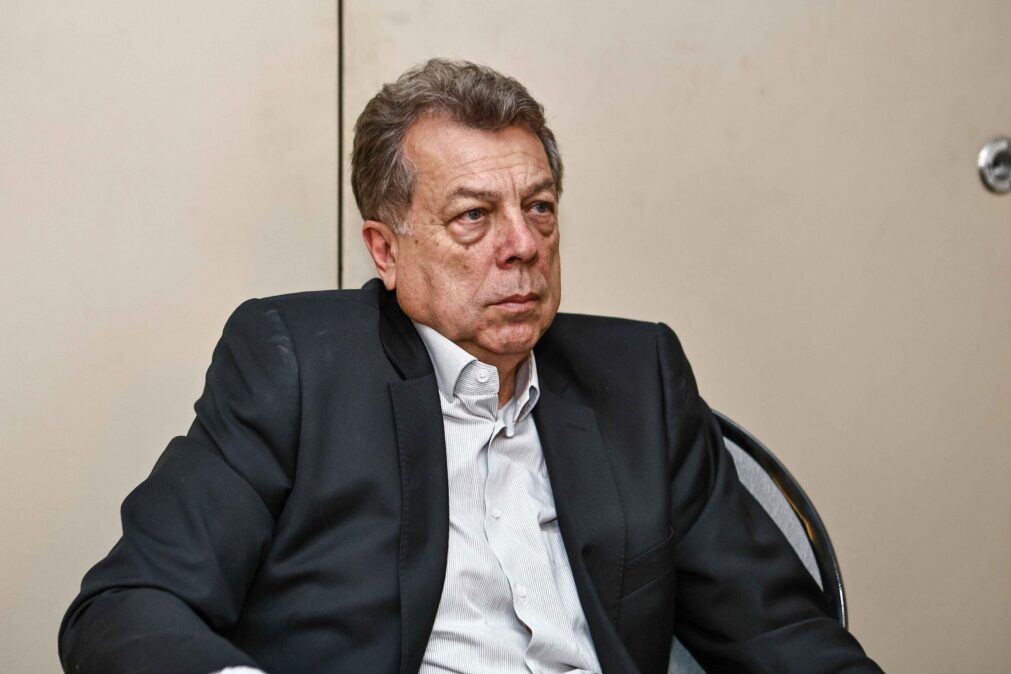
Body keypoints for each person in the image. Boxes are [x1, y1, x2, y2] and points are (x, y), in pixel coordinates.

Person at [59, 59, 881, 674]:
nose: (522, 244)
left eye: (539, 208)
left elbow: (780, 633)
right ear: (385, 250)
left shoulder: (638, 379)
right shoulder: (297, 367)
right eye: (473, 217)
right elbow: (126, 608)